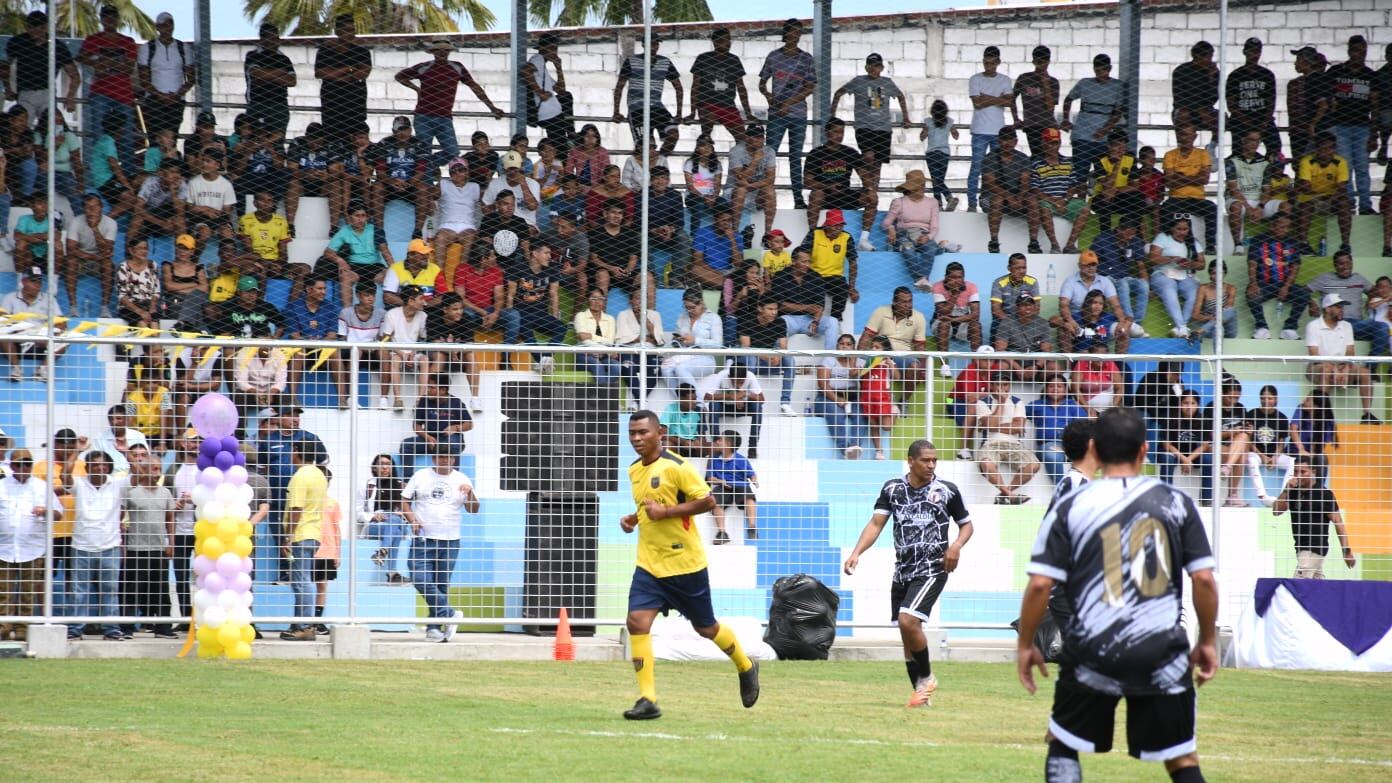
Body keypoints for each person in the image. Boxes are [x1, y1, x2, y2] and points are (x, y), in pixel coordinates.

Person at [1017, 407, 1218, 783]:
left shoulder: (1072, 504)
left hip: (1093, 647)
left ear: (1095, 449)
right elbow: (1204, 580)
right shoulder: (1176, 502)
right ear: (1144, 450)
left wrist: (1026, 643)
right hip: (1160, 649)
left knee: (1063, 744)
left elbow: (1040, 584)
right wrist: (1207, 640)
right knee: (1181, 760)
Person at [619, 409, 759, 720]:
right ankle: (647, 699)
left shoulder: (677, 467)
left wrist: (665, 513)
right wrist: (634, 519)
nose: (637, 438)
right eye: (632, 433)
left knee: (706, 628)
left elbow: (708, 500)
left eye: (643, 432)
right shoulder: (634, 470)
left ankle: (745, 665)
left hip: (685, 564)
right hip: (649, 564)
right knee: (637, 622)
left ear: (660, 433)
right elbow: (648, 506)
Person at [843, 439, 972, 708]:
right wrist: (856, 553)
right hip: (902, 569)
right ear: (910, 461)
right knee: (906, 636)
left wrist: (956, 546)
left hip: (933, 568)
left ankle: (927, 678)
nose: (931, 465)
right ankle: (920, 695)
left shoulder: (947, 490)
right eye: (925, 460)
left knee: (908, 620)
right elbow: (876, 524)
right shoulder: (892, 489)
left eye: (934, 460)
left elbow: (966, 525)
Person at [832, 51, 911, 248]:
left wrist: (906, 118)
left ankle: (871, 194)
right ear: (866, 67)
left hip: (883, 129)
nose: (874, 69)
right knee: (867, 157)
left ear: (881, 68)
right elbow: (838, 92)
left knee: (877, 165)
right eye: (871, 66)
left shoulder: (887, 82)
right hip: (864, 128)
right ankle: (868, 188)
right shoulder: (858, 81)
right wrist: (831, 114)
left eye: (877, 66)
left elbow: (900, 96)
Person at [396, 38, 504, 167]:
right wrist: (416, 89)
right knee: (425, 152)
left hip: (444, 117)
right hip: (424, 115)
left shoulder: (457, 67)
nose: (442, 53)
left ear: (449, 52)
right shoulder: (425, 66)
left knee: (452, 152)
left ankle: (425, 166)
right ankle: (426, 172)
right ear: (433, 52)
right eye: (438, 50)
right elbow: (399, 76)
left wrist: (492, 107)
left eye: (445, 50)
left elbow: (474, 86)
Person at [68, 450, 128, 641]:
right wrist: (76, 452)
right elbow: (64, 476)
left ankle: (111, 629)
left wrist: (129, 455)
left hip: (110, 546)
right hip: (81, 546)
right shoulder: (79, 483)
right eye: (95, 464)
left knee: (110, 590)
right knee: (79, 592)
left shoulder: (117, 484)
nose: (100, 468)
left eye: (103, 464)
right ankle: (75, 629)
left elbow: (140, 475)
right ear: (87, 467)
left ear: (109, 467)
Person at [0, 450, 59, 642]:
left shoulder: (41, 486)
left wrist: (46, 510)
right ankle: (3, 627)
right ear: (12, 466)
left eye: (27, 464)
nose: (23, 468)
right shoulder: (2, 486)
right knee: (2, 592)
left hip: (32, 547)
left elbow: (59, 513)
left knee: (28, 592)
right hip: (4, 548)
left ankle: (22, 628)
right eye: (19, 464)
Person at [759, 18, 816, 210]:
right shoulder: (774, 56)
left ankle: (798, 199)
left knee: (795, 157)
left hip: (798, 113)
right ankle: (763, 195)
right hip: (777, 113)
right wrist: (769, 96)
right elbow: (762, 82)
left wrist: (789, 103)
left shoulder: (806, 58)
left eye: (798, 32)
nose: (795, 35)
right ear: (786, 32)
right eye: (792, 31)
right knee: (769, 154)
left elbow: (810, 87)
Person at [1317, 35, 1377, 215]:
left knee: (1362, 167)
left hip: (1362, 127)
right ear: (1350, 51)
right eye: (1357, 50)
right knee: (1345, 166)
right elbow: (1323, 91)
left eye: (1364, 51)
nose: (1361, 54)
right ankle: (1348, 204)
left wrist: (1374, 134)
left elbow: (1375, 105)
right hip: (1340, 126)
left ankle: (1365, 205)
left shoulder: (1370, 75)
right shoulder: (1337, 72)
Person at [1272, 457, 1356, 579]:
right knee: (1316, 585)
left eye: (1303, 472)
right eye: (1295, 471)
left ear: (1313, 472)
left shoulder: (1323, 494)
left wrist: (1346, 551)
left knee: (1298, 584)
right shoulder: (1293, 491)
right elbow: (1276, 511)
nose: (1298, 475)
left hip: (1314, 548)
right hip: (1300, 548)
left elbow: (1338, 522)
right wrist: (1286, 490)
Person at [79, 5, 139, 172]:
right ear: (101, 19)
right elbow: (81, 57)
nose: (110, 20)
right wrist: (97, 62)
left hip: (123, 94)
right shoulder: (93, 39)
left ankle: (128, 175)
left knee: (127, 137)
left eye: (113, 16)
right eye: (106, 16)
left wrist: (105, 63)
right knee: (99, 135)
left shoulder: (128, 41)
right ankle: (100, 175)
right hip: (101, 92)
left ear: (118, 19)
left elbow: (129, 68)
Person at [120, 456, 174, 638]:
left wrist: (171, 543)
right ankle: (127, 628)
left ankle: (163, 627)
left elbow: (170, 519)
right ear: (144, 470)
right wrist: (123, 545)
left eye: (159, 469)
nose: (158, 473)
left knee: (161, 590)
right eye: (154, 469)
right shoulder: (132, 493)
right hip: (136, 549)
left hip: (159, 549)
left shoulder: (165, 493)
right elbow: (119, 518)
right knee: (132, 590)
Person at [1305, 292, 1379, 424]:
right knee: (1326, 371)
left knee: (1365, 373)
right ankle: (1322, 415)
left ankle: (1367, 415)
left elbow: (1350, 351)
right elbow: (1314, 354)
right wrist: (1334, 369)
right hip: (1318, 366)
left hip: (1342, 365)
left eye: (1342, 307)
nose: (1342, 310)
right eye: (1338, 307)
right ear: (1328, 309)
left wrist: (1346, 368)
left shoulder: (1347, 326)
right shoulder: (1313, 326)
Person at [803, 118, 877, 251]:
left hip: (845, 195)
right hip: (825, 195)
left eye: (841, 132)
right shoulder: (816, 154)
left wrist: (870, 189)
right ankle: (812, 234)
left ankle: (864, 239)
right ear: (827, 133)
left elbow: (864, 174)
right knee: (816, 194)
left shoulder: (849, 152)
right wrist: (827, 186)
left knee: (872, 198)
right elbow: (807, 182)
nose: (839, 135)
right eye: (835, 132)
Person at [279, 441, 327, 641]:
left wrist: (288, 536)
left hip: (301, 533)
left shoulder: (300, 476)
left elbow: (296, 508)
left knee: (301, 581)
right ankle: (300, 625)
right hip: (314, 532)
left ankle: (305, 626)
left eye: (292, 450)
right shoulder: (319, 475)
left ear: (297, 451)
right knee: (303, 579)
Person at [1060, 53, 1128, 187]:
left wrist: (1105, 129)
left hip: (1103, 139)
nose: (1100, 74)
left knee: (1104, 175)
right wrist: (1065, 119)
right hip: (1082, 135)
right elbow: (1068, 99)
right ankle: (1080, 198)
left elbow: (1117, 112)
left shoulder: (1118, 86)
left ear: (1109, 69)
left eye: (1103, 70)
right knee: (1080, 176)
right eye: (1097, 71)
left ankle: (1098, 197)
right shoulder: (1085, 83)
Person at [1307, 249, 1389, 359]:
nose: (1345, 266)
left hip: (1356, 325)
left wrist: (1371, 300)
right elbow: (1303, 290)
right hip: (1334, 321)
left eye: (1348, 263)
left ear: (1352, 263)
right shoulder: (1325, 278)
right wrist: (1311, 303)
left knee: (1382, 328)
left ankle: (1371, 365)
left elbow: (1376, 291)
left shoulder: (1358, 278)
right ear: (1335, 265)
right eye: (1341, 263)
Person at [883, 169, 958, 289]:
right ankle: (921, 278)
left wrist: (928, 237)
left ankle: (937, 251)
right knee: (908, 249)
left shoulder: (932, 202)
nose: (923, 187)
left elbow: (934, 226)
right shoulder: (899, 202)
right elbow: (886, 223)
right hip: (904, 234)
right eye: (919, 185)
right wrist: (891, 229)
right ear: (910, 187)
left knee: (930, 248)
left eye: (923, 185)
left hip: (923, 234)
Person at [974, 373, 1041, 505]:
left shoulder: (1017, 402)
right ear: (992, 386)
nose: (1002, 388)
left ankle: (1005, 494)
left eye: (1005, 384)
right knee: (986, 464)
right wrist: (1001, 403)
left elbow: (1018, 427)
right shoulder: (983, 402)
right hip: (991, 443)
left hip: (1014, 444)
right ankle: (1010, 495)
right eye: (998, 384)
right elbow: (990, 424)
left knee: (1034, 465)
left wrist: (993, 426)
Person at [858, 286, 928, 408]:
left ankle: (903, 403)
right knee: (862, 365)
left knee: (915, 368)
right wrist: (858, 358)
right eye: (904, 302)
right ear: (895, 302)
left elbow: (920, 346)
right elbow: (867, 335)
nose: (908, 305)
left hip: (903, 354)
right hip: (881, 351)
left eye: (910, 301)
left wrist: (923, 370)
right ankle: (864, 400)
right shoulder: (881, 311)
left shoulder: (919, 317)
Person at [5, 11, 81, 123]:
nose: (36, 31)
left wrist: (70, 97)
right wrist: (8, 88)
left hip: (47, 92)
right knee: (21, 125)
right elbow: (5, 67)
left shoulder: (57, 46)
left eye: (40, 27)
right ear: (27, 27)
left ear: (46, 27)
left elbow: (74, 75)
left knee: (51, 125)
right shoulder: (18, 42)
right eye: (32, 27)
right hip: (25, 92)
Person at [613, 34, 682, 156]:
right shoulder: (632, 61)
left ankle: (659, 160)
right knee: (645, 145)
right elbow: (619, 86)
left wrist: (679, 113)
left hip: (657, 107)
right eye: (651, 44)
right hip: (637, 108)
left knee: (673, 135)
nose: (654, 47)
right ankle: (646, 163)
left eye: (656, 44)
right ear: (644, 45)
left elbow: (678, 87)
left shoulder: (665, 62)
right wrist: (616, 112)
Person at [965, 46, 1015, 214]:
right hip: (980, 130)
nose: (989, 66)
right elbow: (977, 104)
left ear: (998, 62)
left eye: (992, 63)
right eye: (986, 63)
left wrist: (986, 97)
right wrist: (998, 99)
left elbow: (1009, 102)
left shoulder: (1005, 80)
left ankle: (995, 202)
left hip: (998, 132)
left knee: (999, 169)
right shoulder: (975, 79)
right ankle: (972, 203)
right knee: (976, 168)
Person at [1027, 127, 1091, 254]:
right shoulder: (1036, 164)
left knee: (1085, 208)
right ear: (1043, 144)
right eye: (1049, 143)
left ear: (1060, 143)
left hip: (1065, 199)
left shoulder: (1068, 162)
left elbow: (1074, 186)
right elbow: (1035, 189)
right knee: (1044, 208)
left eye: (1055, 143)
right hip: (1047, 201)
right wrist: (1054, 202)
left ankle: (1070, 245)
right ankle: (1054, 245)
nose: (1053, 146)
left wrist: (1064, 200)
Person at [1245, 210, 1308, 340]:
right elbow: (1252, 263)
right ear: (1272, 225)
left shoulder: (1293, 242)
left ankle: (1289, 328)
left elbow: (1295, 267)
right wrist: (1253, 283)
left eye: (1287, 227)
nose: (1285, 229)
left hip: (1285, 285)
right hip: (1264, 284)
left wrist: (1286, 287)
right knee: (1251, 294)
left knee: (1303, 294)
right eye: (1281, 226)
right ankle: (1262, 328)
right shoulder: (1258, 240)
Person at [1053, 250, 1131, 353]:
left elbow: (1116, 306)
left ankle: (1119, 361)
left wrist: (1122, 323)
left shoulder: (1105, 281)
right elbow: (1063, 305)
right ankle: (1069, 362)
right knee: (1063, 329)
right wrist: (1071, 322)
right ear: (1079, 265)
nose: (1091, 268)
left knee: (1124, 330)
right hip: (1077, 320)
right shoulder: (1070, 282)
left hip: (1101, 319)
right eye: (1087, 265)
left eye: (1094, 265)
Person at [687, 28, 752, 144]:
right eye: (724, 40)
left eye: (729, 40)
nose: (728, 43)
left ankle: (739, 155)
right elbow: (695, 86)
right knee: (707, 126)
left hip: (728, 105)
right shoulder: (703, 58)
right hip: (706, 103)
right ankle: (705, 144)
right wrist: (692, 112)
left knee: (743, 139)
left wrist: (748, 113)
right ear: (715, 42)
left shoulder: (734, 60)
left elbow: (741, 87)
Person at [1293, 133, 1354, 255]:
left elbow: (1342, 188)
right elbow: (1305, 187)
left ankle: (1345, 244)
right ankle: (1303, 244)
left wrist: (1331, 197)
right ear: (1317, 149)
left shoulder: (1340, 162)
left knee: (1344, 202)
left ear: (1334, 149)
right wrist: (1323, 195)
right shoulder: (1307, 161)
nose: (1327, 151)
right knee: (1305, 206)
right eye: (1323, 148)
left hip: (1332, 199)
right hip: (1311, 199)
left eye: (1330, 148)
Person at [138, 12, 195, 141]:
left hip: (176, 101)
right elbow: (143, 79)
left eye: (169, 24)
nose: (167, 28)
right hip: (154, 101)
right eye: (163, 25)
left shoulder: (183, 48)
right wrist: (160, 95)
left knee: (172, 139)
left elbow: (191, 78)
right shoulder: (147, 48)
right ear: (157, 27)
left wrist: (177, 95)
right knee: (155, 138)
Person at [315, 15, 372, 143]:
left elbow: (363, 73)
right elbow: (320, 73)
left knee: (355, 142)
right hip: (332, 106)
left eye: (352, 30)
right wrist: (349, 69)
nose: (350, 34)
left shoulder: (362, 52)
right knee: (333, 141)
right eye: (346, 30)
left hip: (355, 106)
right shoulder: (325, 51)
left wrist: (335, 75)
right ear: (338, 31)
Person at [1090, 217, 1150, 336]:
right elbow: (1091, 261)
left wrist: (1148, 286)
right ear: (1119, 230)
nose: (1131, 237)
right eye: (1128, 234)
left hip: (1124, 277)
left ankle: (1137, 324)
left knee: (1143, 284)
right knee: (1123, 284)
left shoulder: (1135, 241)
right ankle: (1128, 321)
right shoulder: (1102, 239)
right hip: (1105, 277)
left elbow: (1141, 266)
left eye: (1133, 234)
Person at [1147, 216, 1205, 339]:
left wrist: (1191, 263)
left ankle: (1181, 327)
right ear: (1171, 228)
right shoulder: (1163, 237)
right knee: (1169, 289)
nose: (1182, 232)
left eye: (1185, 229)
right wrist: (1172, 259)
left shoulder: (1193, 242)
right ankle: (1182, 327)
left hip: (1185, 274)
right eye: (1179, 229)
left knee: (1195, 293)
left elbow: (1202, 265)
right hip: (1163, 273)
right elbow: (1152, 258)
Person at [1026, 376, 1090, 485]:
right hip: (1047, 445)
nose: (1055, 389)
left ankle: (1083, 489)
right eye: (1051, 386)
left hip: (1070, 445)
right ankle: (1063, 488)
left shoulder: (1073, 405)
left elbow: (1084, 426)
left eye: (1059, 386)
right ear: (1046, 388)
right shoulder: (1037, 405)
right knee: (1052, 456)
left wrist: (1068, 446)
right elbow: (1019, 413)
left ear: (1065, 389)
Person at [739, 296, 797, 416]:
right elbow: (746, 347)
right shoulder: (747, 320)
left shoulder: (780, 322)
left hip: (769, 362)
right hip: (750, 363)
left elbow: (783, 347)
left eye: (775, 309)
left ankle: (785, 403)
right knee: (750, 359)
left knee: (789, 360)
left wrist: (778, 356)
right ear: (760, 308)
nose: (774, 312)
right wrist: (766, 356)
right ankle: (747, 398)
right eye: (770, 309)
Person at [772, 248, 838, 351]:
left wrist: (815, 321)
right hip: (788, 319)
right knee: (778, 324)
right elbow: (779, 305)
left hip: (809, 319)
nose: (807, 265)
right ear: (793, 261)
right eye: (804, 262)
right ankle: (779, 357)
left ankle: (829, 358)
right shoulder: (780, 276)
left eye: (809, 261)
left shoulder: (816, 277)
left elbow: (819, 306)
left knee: (833, 322)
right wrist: (807, 307)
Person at [1227, 37, 1281, 159]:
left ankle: (1267, 168)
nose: (1254, 54)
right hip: (1241, 118)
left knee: (1275, 147)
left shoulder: (1267, 75)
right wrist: (1246, 121)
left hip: (1262, 117)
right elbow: (1231, 104)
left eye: (1257, 51)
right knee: (1238, 150)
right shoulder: (1235, 76)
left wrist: (1264, 122)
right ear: (1245, 52)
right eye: (1251, 51)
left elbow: (1271, 102)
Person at [360, 454, 409, 583]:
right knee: (396, 532)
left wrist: (402, 514)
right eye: (381, 464)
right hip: (375, 525)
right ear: (374, 468)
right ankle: (392, 573)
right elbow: (357, 511)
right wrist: (372, 516)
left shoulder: (401, 486)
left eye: (388, 464)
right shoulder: (367, 486)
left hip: (398, 523)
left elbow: (408, 511)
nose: (385, 467)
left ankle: (382, 552)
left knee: (395, 519)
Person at [724, 124, 778, 242]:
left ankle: (767, 234)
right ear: (747, 138)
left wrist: (751, 185)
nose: (759, 140)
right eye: (755, 137)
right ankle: (735, 231)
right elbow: (740, 179)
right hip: (733, 192)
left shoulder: (769, 151)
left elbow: (771, 180)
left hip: (756, 192)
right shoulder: (736, 151)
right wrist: (756, 160)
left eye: (761, 137)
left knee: (770, 191)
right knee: (741, 190)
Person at [379, 284, 429, 411]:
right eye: (421, 299)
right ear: (411, 301)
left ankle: (420, 401)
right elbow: (385, 339)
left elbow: (423, 339)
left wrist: (413, 352)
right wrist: (401, 353)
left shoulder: (423, 316)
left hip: (414, 352)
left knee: (425, 360)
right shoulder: (392, 314)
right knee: (395, 360)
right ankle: (398, 400)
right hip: (396, 352)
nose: (424, 302)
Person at [521, 33, 574, 150]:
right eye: (551, 48)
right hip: (549, 114)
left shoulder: (543, 71)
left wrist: (558, 68)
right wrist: (540, 92)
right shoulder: (538, 58)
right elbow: (525, 71)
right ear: (542, 48)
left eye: (555, 49)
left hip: (554, 113)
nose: (554, 52)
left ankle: (571, 135)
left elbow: (561, 90)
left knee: (566, 96)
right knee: (561, 149)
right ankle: (571, 135)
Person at [706, 431, 758, 545]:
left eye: (720, 440)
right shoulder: (713, 458)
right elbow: (710, 478)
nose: (717, 442)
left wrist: (754, 480)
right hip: (723, 486)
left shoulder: (741, 460)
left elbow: (752, 474)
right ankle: (722, 533)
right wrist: (720, 481)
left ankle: (752, 527)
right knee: (715, 501)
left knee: (749, 498)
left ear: (729, 444)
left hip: (740, 485)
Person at [1244, 385, 1294, 504]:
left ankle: (1283, 497)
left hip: (1274, 455)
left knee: (1292, 462)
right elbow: (1248, 440)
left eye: (1270, 398)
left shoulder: (1282, 418)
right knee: (1251, 459)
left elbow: (1281, 441)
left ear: (1276, 399)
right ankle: (1262, 496)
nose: (1266, 401)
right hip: (1256, 453)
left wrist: (1275, 457)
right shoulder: (1251, 414)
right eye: (1263, 398)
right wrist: (1262, 456)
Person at [244, 23, 296, 135]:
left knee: (277, 138)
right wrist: (280, 73)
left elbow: (292, 81)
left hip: (279, 105)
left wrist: (266, 76)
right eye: (271, 38)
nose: (274, 42)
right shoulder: (253, 55)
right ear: (263, 39)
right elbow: (256, 75)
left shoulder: (284, 58)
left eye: (276, 38)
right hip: (258, 103)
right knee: (255, 137)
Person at [993, 294, 1057, 382]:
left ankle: (1045, 391)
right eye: (1024, 305)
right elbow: (1000, 349)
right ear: (1017, 308)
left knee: (1054, 367)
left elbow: (1047, 351)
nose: (1028, 307)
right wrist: (1018, 368)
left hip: (1036, 364)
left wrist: (1036, 367)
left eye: (1030, 304)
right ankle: (1003, 390)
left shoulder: (1042, 323)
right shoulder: (1007, 322)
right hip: (1013, 363)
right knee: (1001, 366)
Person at [1090, 130, 1146, 229]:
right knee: (1105, 200)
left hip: (1121, 195)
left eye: (1124, 145)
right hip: (1101, 196)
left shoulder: (1130, 158)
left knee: (1139, 198)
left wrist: (1116, 190)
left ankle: (1134, 232)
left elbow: (1135, 185)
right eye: (1117, 145)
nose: (1121, 149)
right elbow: (1106, 185)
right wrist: (1117, 165)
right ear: (1109, 146)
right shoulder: (1100, 159)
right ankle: (1106, 234)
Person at [1013, 45, 1059, 156]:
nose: (1042, 65)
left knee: (1051, 156)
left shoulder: (1053, 82)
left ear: (1048, 62)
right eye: (1039, 62)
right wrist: (1016, 119)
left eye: (1044, 62)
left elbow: (1050, 108)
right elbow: (1011, 99)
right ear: (1034, 61)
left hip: (1049, 124)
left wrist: (1045, 84)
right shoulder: (1024, 78)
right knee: (1037, 157)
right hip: (1032, 125)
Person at [859, 335, 899, 461]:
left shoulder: (888, 362)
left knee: (886, 426)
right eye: (872, 346)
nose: (874, 349)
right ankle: (879, 451)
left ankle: (895, 410)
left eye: (877, 347)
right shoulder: (867, 362)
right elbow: (859, 376)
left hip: (882, 397)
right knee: (873, 424)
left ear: (885, 350)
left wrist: (889, 363)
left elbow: (897, 377)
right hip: (868, 397)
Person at [932, 261, 982, 351]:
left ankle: (977, 359)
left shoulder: (971, 287)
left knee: (976, 325)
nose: (957, 280)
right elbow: (944, 312)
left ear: (963, 277)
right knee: (944, 325)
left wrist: (953, 320)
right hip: (941, 322)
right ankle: (943, 359)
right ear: (946, 277)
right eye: (953, 277)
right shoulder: (938, 286)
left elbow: (976, 315)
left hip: (963, 322)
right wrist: (955, 294)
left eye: (960, 277)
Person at [574, 289, 620, 386]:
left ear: (604, 301)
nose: (597, 302)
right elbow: (584, 339)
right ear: (587, 300)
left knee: (616, 367)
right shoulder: (581, 316)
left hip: (604, 356)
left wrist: (591, 336)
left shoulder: (610, 319)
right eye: (593, 298)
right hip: (585, 355)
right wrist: (606, 349)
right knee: (597, 365)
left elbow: (610, 342)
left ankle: (602, 393)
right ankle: (604, 394)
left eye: (600, 299)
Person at [920, 99, 960, 212]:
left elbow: (922, 137)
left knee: (936, 180)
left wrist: (925, 131)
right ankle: (944, 201)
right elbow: (956, 136)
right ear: (945, 111)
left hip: (931, 154)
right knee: (939, 179)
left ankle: (941, 202)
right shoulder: (949, 121)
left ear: (932, 111)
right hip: (944, 154)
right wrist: (951, 130)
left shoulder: (928, 121)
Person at [1190, 259, 1236, 345]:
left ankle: (1198, 332)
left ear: (1225, 273)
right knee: (1218, 328)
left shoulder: (1230, 288)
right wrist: (1210, 318)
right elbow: (1195, 315)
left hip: (1228, 329)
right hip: (1211, 329)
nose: (1218, 276)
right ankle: (1218, 355)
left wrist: (1216, 318)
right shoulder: (1203, 289)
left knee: (1231, 310)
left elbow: (1228, 312)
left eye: (1220, 273)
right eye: (1214, 273)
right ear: (1210, 274)